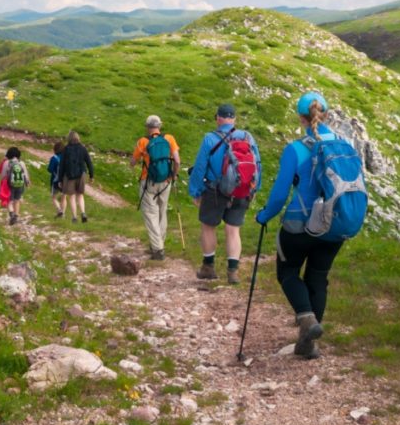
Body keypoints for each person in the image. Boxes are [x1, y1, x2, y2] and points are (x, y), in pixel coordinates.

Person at [255, 92, 345, 360]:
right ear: (326, 115)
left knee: (288, 272)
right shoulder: (342, 144)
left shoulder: (295, 149)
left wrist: (264, 216)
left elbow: (281, 193)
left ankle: (306, 321)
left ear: (300, 118)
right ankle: (308, 341)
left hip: (300, 223)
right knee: (318, 278)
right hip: (332, 225)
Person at [187, 103, 261, 285]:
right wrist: (254, 188)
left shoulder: (210, 138)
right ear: (234, 119)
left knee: (208, 227)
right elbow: (257, 164)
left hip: (215, 191)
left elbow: (200, 167)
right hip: (241, 190)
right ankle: (233, 272)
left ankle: (208, 267)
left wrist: (195, 191)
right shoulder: (247, 136)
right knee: (233, 231)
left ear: (218, 118)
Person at [131, 115, 180, 260]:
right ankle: (159, 244)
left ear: (147, 126)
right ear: (160, 125)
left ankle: (158, 249)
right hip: (166, 181)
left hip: (148, 181)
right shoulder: (169, 139)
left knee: (150, 213)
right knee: (161, 211)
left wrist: (132, 164)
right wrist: (173, 175)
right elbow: (177, 160)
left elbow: (133, 161)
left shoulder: (143, 141)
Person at [58, 131, 94, 223]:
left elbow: (61, 165)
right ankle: (83, 213)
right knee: (80, 195)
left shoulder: (65, 149)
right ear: (78, 138)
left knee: (72, 196)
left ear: (69, 138)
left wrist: (60, 179)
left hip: (69, 175)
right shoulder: (83, 148)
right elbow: (89, 162)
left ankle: (74, 217)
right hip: (81, 174)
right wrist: (91, 176)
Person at [0, 147, 31, 225]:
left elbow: (3, 175)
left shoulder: (7, 163)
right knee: (17, 200)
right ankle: (16, 216)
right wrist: (27, 182)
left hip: (10, 185)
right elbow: (26, 175)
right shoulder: (22, 163)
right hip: (20, 185)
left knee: (10, 201)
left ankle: (11, 214)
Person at [48, 142, 66, 218]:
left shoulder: (54, 158)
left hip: (55, 181)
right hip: (65, 181)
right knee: (63, 197)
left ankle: (59, 210)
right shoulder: (66, 157)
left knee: (54, 197)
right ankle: (63, 214)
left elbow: (50, 169)